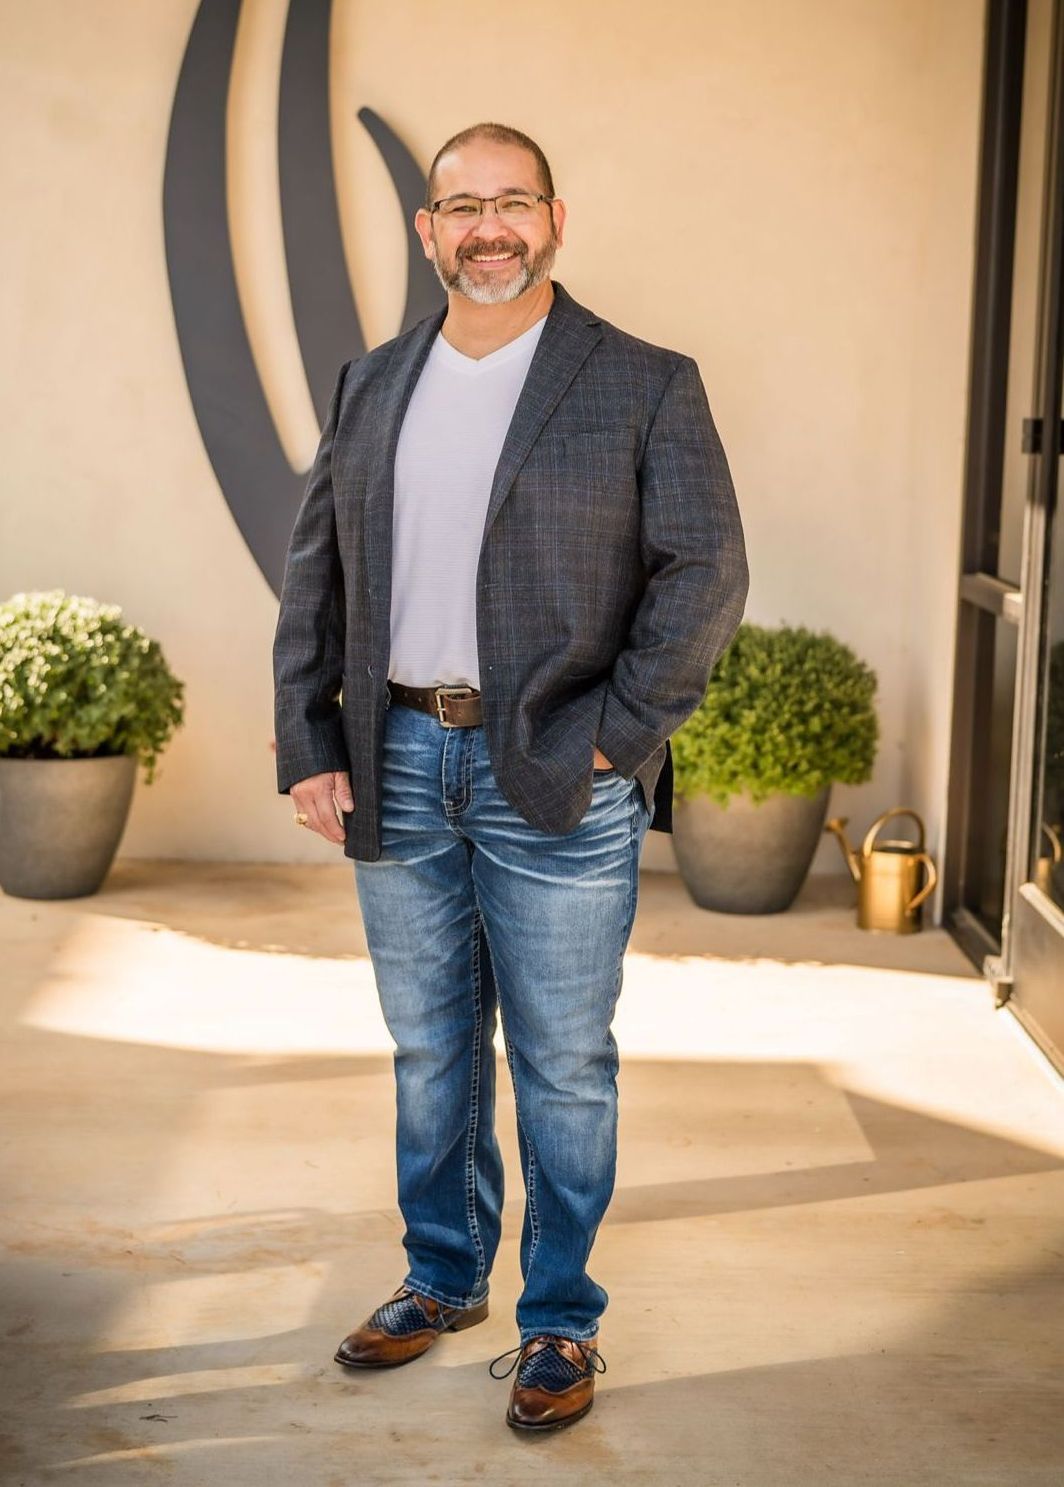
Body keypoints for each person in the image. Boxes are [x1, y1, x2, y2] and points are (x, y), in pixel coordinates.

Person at [272, 120, 749, 1433]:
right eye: (463, 206)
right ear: (429, 230)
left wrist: (616, 734)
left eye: (514, 202)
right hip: (397, 758)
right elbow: (317, 573)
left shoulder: (644, 381)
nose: (490, 228)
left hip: (557, 765)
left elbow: (706, 572)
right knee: (429, 1046)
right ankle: (441, 1275)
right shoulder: (372, 382)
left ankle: (559, 1320)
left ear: (554, 221)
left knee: (563, 1060)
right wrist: (310, 742)